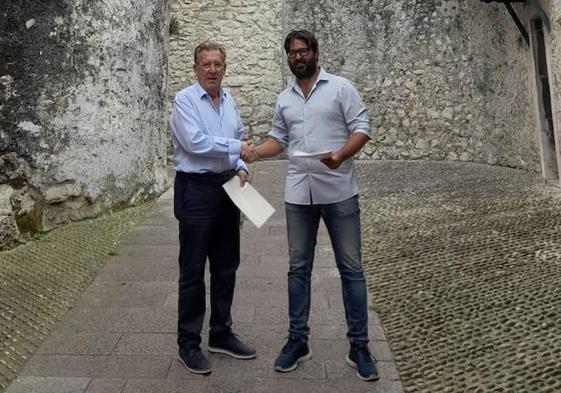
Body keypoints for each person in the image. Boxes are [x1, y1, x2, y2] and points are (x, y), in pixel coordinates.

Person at [242, 30, 379, 381]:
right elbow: (278, 139)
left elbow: (362, 128)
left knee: (351, 269)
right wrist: (256, 152)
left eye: (302, 51)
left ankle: (359, 346)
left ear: (315, 52)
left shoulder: (340, 87)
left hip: (339, 191)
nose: (297, 57)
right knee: (297, 270)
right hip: (298, 195)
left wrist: (341, 155)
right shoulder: (284, 99)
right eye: (291, 53)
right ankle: (297, 341)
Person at [170, 41, 256, 375]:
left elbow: (238, 136)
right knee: (192, 270)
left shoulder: (230, 100)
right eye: (205, 64)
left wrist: (242, 167)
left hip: (228, 187)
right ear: (195, 68)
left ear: (225, 67)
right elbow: (195, 143)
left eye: (217, 64)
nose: (212, 69)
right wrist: (238, 147)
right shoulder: (185, 100)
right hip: (195, 191)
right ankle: (188, 344)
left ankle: (220, 333)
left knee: (226, 265)